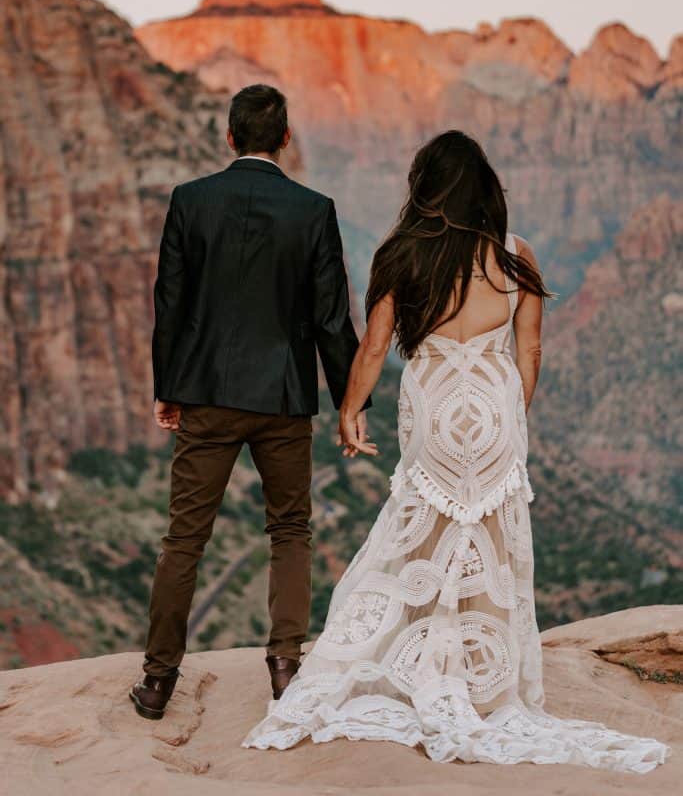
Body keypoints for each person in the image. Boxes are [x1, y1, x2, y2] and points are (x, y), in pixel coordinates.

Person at [243, 130, 669, 773]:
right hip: (494, 405)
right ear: (485, 190)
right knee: (493, 538)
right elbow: (530, 352)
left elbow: (374, 346)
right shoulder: (515, 255)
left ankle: (415, 660)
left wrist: (351, 411)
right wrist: (509, 416)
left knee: (421, 530)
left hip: (434, 404)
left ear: (425, 188)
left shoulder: (402, 254)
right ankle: (483, 678)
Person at [130, 84, 370, 720]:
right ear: (285, 140)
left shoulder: (190, 200)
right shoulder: (313, 209)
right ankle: (286, 668)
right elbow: (330, 319)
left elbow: (170, 304)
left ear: (230, 137)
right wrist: (352, 400)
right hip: (284, 398)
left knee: (184, 539)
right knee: (289, 529)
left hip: (205, 394)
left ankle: (157, 681)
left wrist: (167, 386)